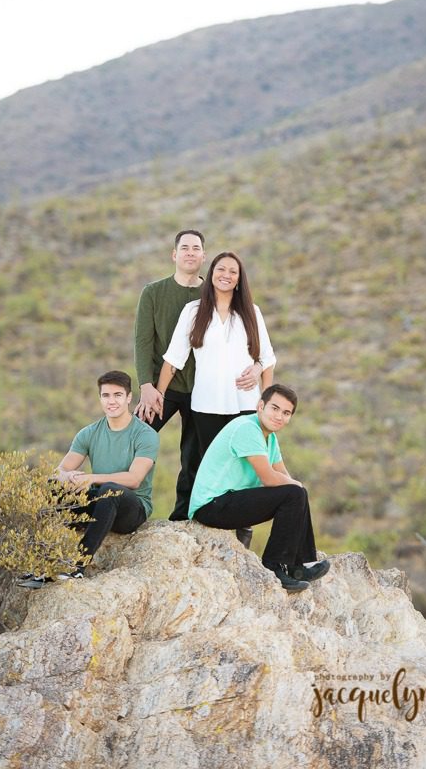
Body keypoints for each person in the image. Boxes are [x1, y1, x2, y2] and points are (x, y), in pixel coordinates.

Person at [18, 370, 159, 588]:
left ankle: (77, 567)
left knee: (111, 489)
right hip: (99, 505)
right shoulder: (89, 433)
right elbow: (59, 471)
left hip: (131, 509)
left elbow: (134, 479)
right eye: (106, 396)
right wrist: (68, 477)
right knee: (51, 488)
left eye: (117, 395)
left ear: (129, 398)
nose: (111, 401)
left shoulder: (145, 434)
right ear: (100, 398)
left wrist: (91, 477)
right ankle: (40, 566)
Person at [188, 384, 330, 593]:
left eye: (286, 413)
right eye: (275, 408)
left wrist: (299, 489)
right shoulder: (247, 428)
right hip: (211, 506)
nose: (279, 416)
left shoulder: (270, 438)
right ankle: (274, 565)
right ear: (260, 406)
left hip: (230, 501)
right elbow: (269, 478)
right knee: (295, 492)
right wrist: (297, 488)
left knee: (297, 493)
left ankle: (298, 567)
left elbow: (284, 477)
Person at [157, 251, 276, 455]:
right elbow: (173, 360)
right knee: (213, 466)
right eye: (221, 269)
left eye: (233, 271)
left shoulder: (252, 312)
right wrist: (159, 395)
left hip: (246, 404)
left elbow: (267, 358)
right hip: (206, 405)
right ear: (211, 273)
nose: (226, 275)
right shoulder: (193, 311)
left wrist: (265, 402)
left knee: (245, 467)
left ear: (239, 279)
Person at [134, 230, 207, 522]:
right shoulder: (153, 292)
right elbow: (143, 341)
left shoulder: (212, 294)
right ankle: (127, 507)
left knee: (194, 456)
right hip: (161, 388)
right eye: (185, 248)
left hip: (203, 390)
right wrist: (146, 385)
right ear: (174, 255)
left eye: (196, 248)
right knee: (135, 440)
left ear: (203, 256)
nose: (190, 253)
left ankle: (183, 519)